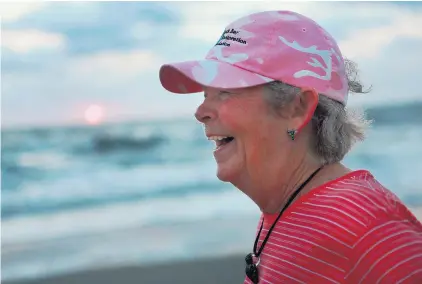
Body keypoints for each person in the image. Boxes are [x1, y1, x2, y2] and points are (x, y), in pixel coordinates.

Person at [158, 10, 422, 284]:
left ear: (298, 107)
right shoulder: (284, 210)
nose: (200, 112)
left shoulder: (370, 229)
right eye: (205, 94)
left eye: (225, 90)